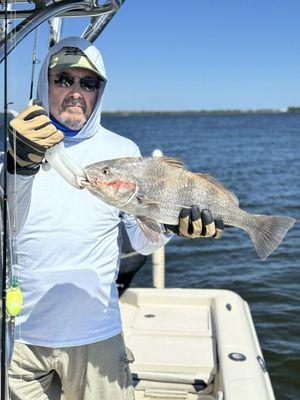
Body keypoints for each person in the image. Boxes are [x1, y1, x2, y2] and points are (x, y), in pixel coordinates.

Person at [3, 36, 224, 400]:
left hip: (96, 334)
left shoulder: (123, 151)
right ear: (46, 82)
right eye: (64, 80)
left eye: (88, 83)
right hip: (21, 337)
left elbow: (140, 240)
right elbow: (9, 226)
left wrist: (168, 225)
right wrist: (18, 164)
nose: (76, 91)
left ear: (99, 93)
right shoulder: (17, 141)